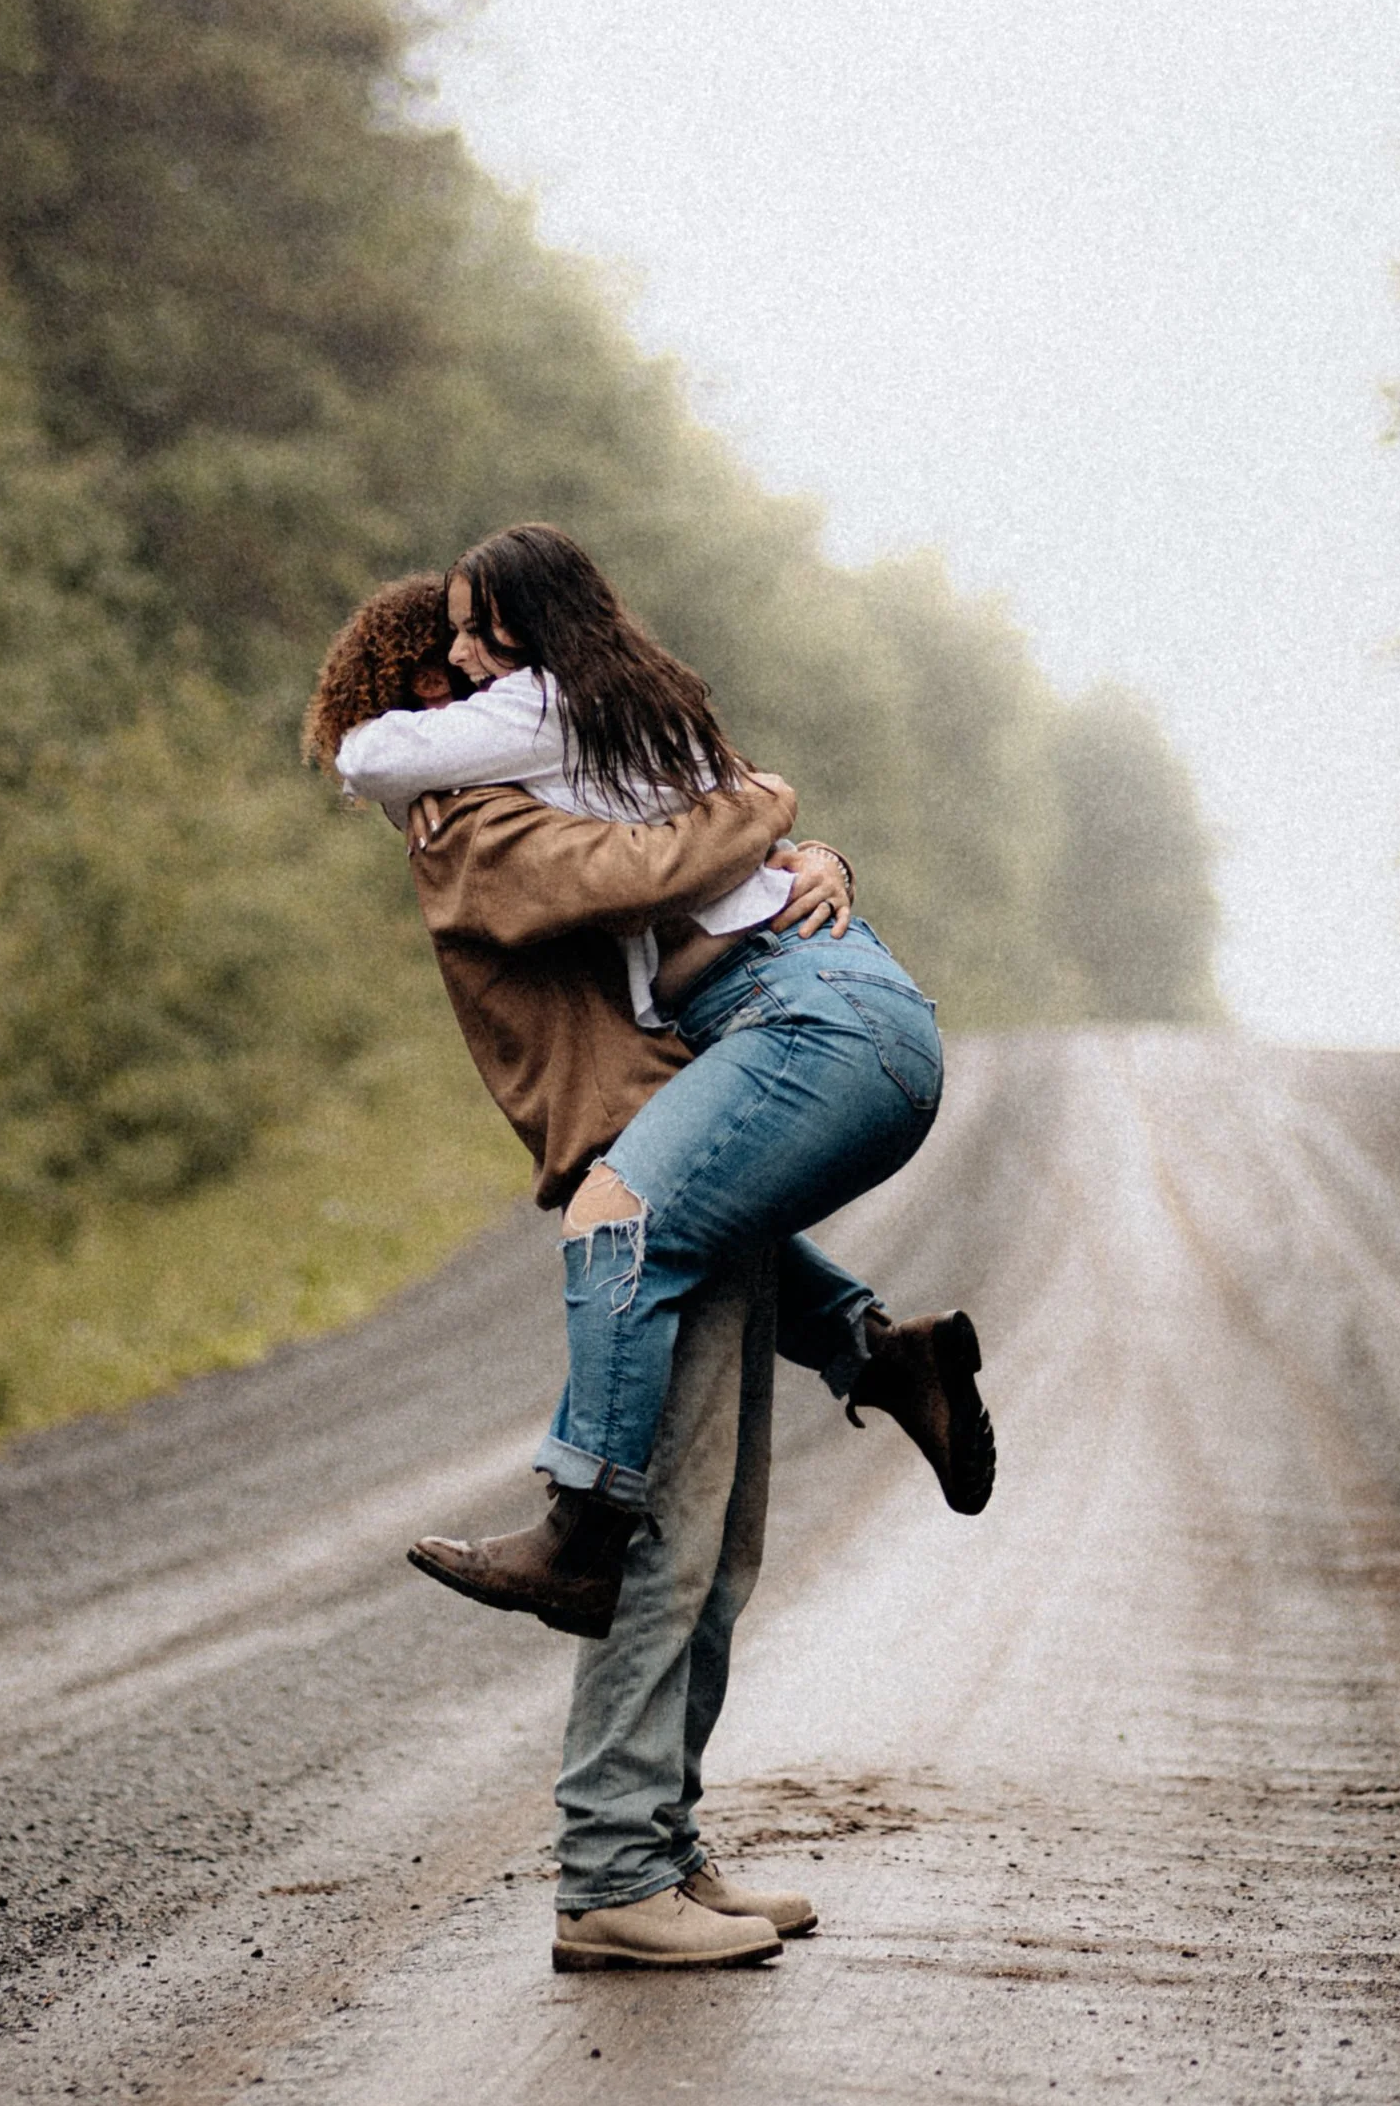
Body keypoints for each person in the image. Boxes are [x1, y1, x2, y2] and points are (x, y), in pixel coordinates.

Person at [306, 536, 994, 1647]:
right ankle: (881, 1354)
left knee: (618, 1222)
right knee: (692, 1224)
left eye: (476, 638)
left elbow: (379, 761)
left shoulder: (525, 732)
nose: (465, 667)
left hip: (806, 1007)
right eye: (445, 655)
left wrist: (772, 813)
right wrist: (782, 825)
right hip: (832, 1005)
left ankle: (582, 1534)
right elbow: (684, 844)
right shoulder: (584, 730)